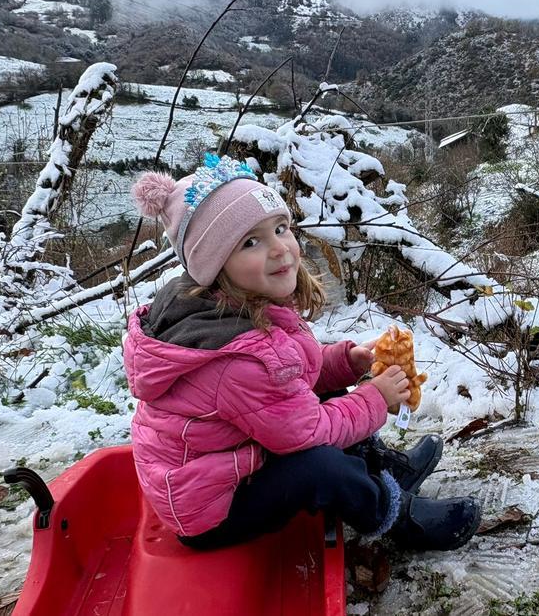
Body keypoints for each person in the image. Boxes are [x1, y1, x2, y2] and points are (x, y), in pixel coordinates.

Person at [122, 153, 480, 551]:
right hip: (211, 510)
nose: (280, 249)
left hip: (232, 458)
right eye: (251, 241)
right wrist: (375, 397)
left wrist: (346, 362)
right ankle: (393, 514)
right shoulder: (234, 357)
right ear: (214, 266)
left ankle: (382, 469)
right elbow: (306, 430)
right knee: (317, 467)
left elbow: (290, 379)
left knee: (317, 399)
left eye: (280, 228)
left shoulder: (235, 306)